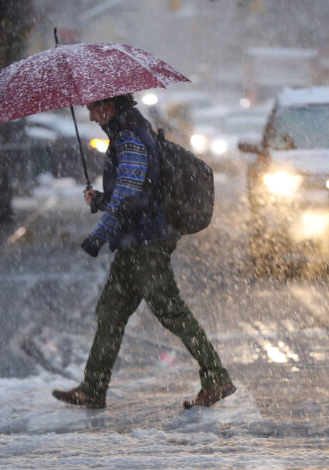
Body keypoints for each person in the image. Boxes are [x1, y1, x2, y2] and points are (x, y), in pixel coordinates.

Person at [52, 94, 235, 409]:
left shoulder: (131, 140)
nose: (92, 117)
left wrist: (98, 236)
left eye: (94, 109)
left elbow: (128, 197)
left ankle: (216, 376)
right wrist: (99, 200)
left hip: (147, 243)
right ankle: (93, 387)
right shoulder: (128, 135)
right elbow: (132, 192)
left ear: (109, 107)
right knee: (111, 311)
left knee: (171, 312)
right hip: (135, 242)